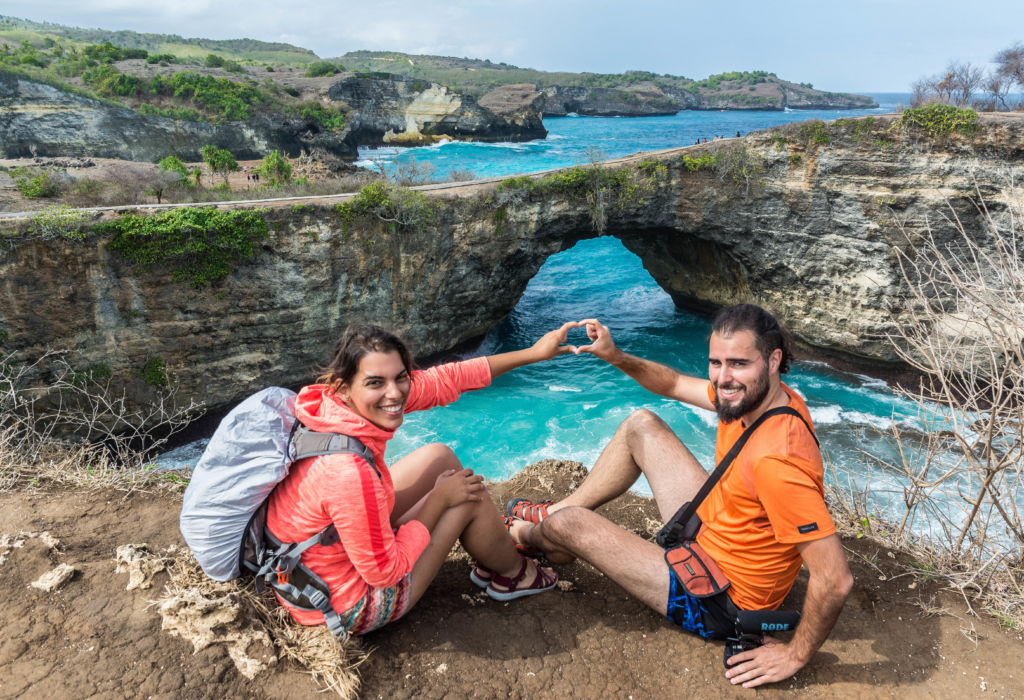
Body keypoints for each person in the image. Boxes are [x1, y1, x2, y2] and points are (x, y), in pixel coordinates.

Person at [506, 304, 853, 688]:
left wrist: (795, 654)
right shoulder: (759, 398)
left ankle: (524, 535)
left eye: (739, 363)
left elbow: (835, 578)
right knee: (641, 425)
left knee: (568, 526)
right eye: (716, 363)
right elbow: (671, 383)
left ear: (773, 360)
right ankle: (553, 511)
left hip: (720, 598)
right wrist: (615, 355)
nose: (724, 378)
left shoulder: (778, 461)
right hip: (711, 533)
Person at [266, 323, 576, 637]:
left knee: (438, 456)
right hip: (346, 601)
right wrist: (440, 499)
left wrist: (534, 353)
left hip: (312, 565)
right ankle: (514, 575)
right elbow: (385, 573)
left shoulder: (328, 407)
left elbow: (449, 379)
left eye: (400, 377)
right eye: (376, 382)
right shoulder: (349, 472)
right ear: (344, 386)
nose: (394, 392)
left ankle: (491, 548)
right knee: (468, 491)